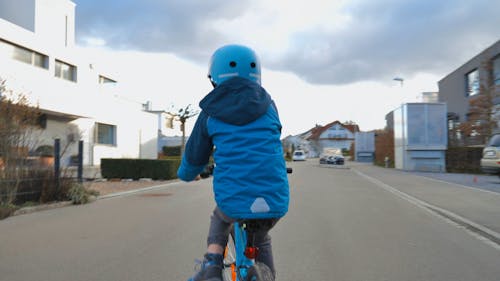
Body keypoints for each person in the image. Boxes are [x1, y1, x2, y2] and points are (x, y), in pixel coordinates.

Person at [177, 44, 290, 281]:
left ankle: (212, 268)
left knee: (221, 218)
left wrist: (187, 173)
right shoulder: (270, 106)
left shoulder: (210, 111)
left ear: (214, 76)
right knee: (261, 237)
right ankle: (267, 275)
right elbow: (270, 139)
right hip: (274, 198)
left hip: (233, 198)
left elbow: (195, 155)